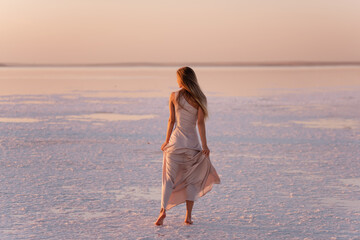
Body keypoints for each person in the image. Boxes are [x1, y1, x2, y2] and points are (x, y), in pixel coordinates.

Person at [155, 66, 220, 226]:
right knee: (192, 181)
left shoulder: (174, 96)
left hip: (175, 145)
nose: (176, 81)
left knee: (168, 180)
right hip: (192, 146)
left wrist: (166, 140)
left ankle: (163, 211)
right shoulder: (200, 98)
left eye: (177, 78)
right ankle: (188, 216)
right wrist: (204, 145)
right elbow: (199, 123)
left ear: (182, 80)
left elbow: (171, 121)